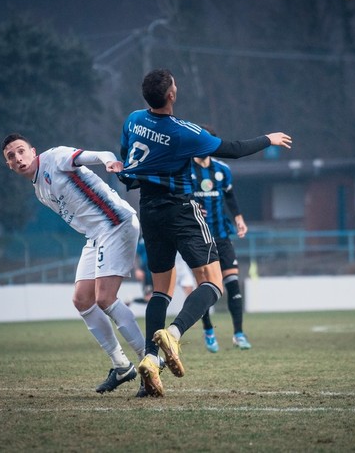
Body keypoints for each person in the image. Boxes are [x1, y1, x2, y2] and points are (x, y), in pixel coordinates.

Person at [118, 68, 292, 397]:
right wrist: (268, 139)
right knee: (213, 284)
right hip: (181, 211)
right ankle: (173, 333)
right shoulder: (185, 132)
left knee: (160, 291)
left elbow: (128, 170)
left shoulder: (133, 120)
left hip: (149, 212)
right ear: (171, 94)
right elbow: (234, 148)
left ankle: (150, 364)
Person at [2, 133, 146, 394]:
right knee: (82, 299)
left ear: (33, 151)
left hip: (115, 223)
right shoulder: (38, 190)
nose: (18, 158)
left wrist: (108, 161)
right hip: (95, 235)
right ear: (9, 165)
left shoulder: (55, 158)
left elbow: (93, 155)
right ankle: (122, 366)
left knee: (105, 298)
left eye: (21, 151)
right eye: (11, 157)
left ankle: (149, 361)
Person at [192, 151, 251, 352]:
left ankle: (239, 334)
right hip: (199, 238)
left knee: (233, 284)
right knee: (206, 287)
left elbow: (230, 196)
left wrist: (238, 217)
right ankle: (208, 330)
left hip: (222, 235)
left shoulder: (222, 169)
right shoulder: (185, 169)